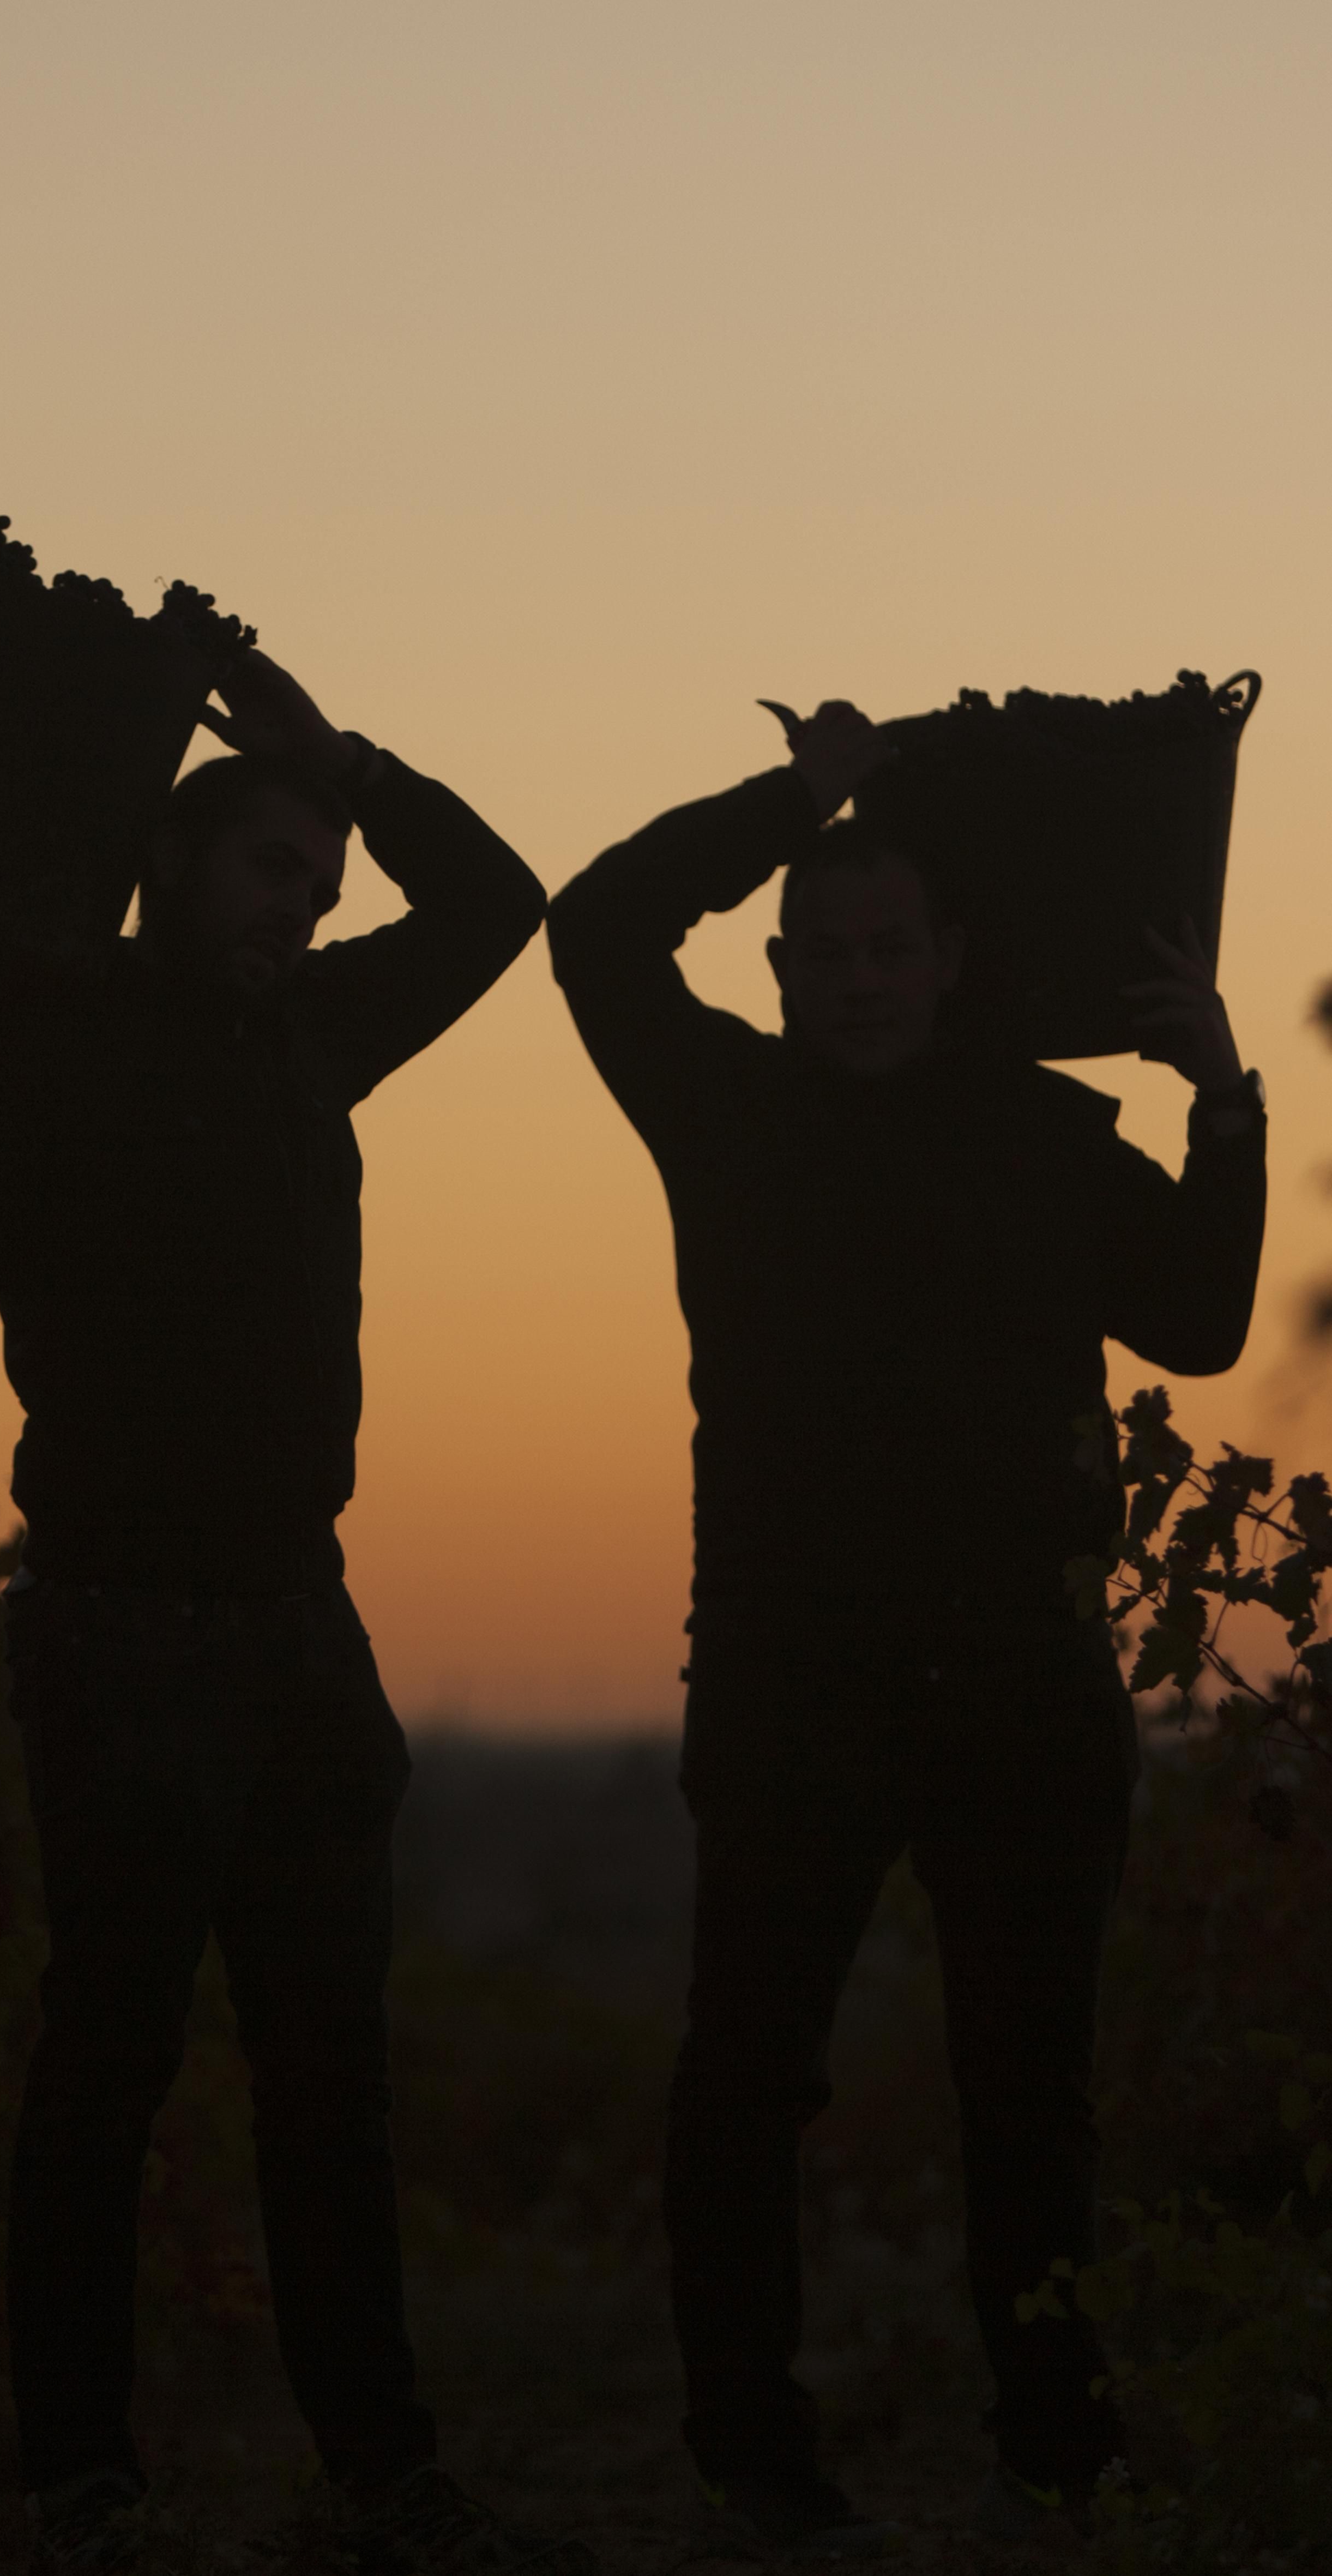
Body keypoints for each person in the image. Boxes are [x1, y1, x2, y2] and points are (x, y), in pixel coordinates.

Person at [0, 652, 590, 2576]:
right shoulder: (40, 1040)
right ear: (166, 864)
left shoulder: (309, 1030)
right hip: (118, 1630)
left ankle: (381, 2470)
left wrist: (335, 758)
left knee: (331, 2073)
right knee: (109, 2068)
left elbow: (499, 902)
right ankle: (81, 2480)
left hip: (297, 1630)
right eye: (275, 870)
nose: (305, 912)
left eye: (321, 887)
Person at [545, 701, 1267, 2555]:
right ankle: (754, 2455)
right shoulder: (726, 1111)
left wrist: (1224, 1100)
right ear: (780, 971)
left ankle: (1056, 2446)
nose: (854, 983)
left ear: (951, 962)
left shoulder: (1044, 1136)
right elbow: (597, 928)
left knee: (1028, 2093)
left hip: (1020, 1678)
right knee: (746, 2075)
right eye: (822, 955)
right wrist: (800, 794)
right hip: (793, 1673)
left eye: (888, 950)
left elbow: (1190, 1321)